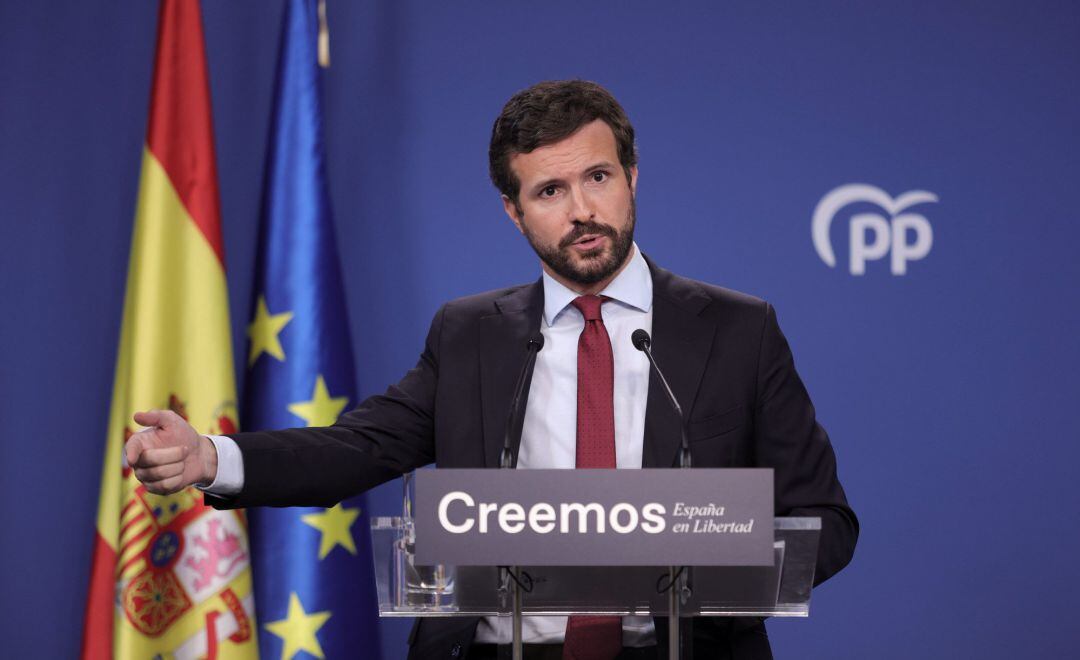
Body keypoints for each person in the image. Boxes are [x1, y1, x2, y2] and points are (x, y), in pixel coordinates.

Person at [127, 79, 858, 659]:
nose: (582, 209)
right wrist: (210, 458)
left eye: (598, 177)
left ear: (632, 177)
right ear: (513, 212)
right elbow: (360, 447)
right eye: (549, 191)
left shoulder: (738, 329)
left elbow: (825, 521)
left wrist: (710, 562)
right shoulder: (470, 333)